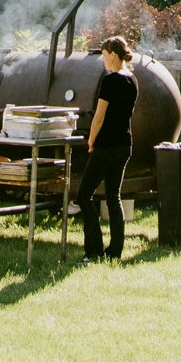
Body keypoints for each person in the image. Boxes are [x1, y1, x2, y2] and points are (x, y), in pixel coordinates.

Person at [77, 34, 138, 262]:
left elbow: (99, 116)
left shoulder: (110, 81)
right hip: (125, 144)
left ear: (113, 54)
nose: (103, 60)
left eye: (104, 55)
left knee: (83, 196)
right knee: (113, 196)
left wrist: (91, 140)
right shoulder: (132, 80)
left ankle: (93, 251)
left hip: (106, 145)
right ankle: (115, 251)